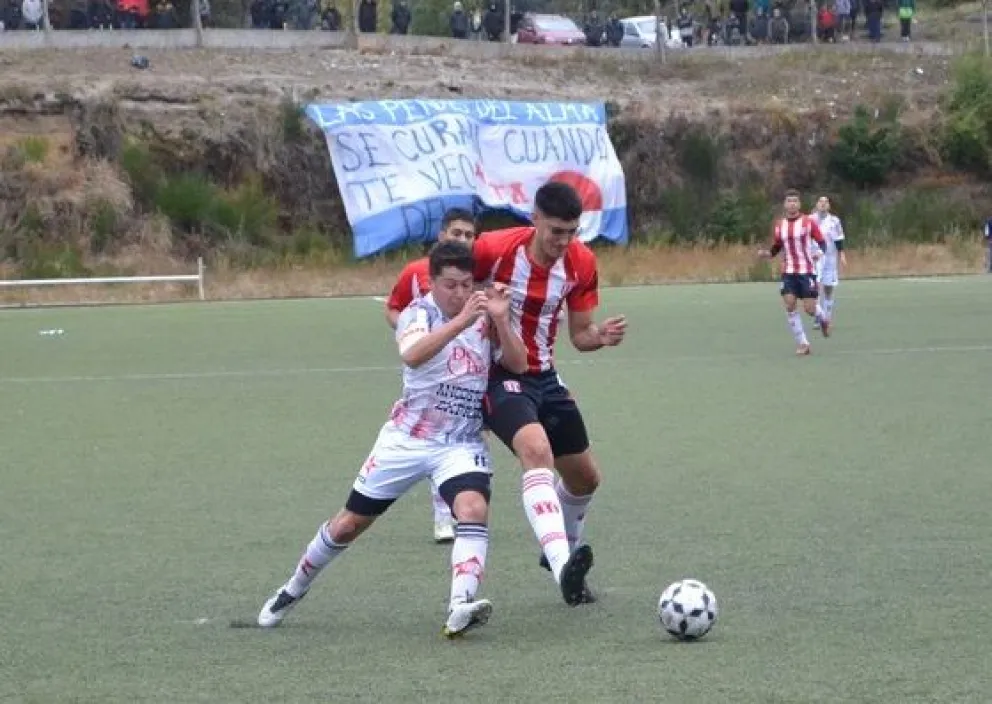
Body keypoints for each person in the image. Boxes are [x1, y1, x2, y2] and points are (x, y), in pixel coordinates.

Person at [257, 241, 528, 637]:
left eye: (467, 285)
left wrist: (502, 321)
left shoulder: (487, 317)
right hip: (406, 440)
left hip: (460, 441)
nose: (460, 293)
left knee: (472, 508)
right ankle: (293, 588)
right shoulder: (418, 314)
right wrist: (461, 322)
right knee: (349, 525)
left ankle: (460, 606)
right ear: (432, 282)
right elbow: (413, 354)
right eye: (450, 285)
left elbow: (519, 364)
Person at [472, 181, 627, 607]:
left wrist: (602, 338)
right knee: (536, 451)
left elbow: (580, 335)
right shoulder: (494, 249)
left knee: (584, 478)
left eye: (571, 231)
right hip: (497, 375)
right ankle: (565, 565)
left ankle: (556, 552)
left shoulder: (581, 261)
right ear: (534, 218)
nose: (563, 241)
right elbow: (443, 278)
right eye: (555, 230)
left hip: (544, 376)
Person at [385, 208, 478, 543]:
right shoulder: (415, 272)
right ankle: (442, 515)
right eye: (457, 233)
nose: (463, 240)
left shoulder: (474, 280)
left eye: (469, 235)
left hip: (463, 367)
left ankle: (453, 510)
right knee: (430, 430)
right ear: (442, 235)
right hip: (427, 367)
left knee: (456, 434)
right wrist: (413, 333)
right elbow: (393, 307)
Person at [758, 189, 827, 356]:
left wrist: (819, 253)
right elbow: (777, 247)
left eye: (795, 201)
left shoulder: (808, 222)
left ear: (799, 204)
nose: (792, 204)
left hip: (806, 270)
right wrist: (768, 254)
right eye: (789, 201)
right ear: (784, 204)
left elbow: (822, 242)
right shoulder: (779, 225)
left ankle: (823, 318)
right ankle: (803, 343)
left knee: (810, 309)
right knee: (789, 304)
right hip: (788, 271)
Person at [810, 196, 847, 332]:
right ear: (816, 204)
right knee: (815, 286)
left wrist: (841, 255)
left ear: (829, 206)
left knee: (829, 288)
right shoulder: (809, 220)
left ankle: (827, 316)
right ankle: (818, 316)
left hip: (830, 257)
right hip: (814, 257)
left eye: (826, 202)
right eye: (820, 201)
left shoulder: (834, 221)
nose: (823, 204)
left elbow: (838, 239)